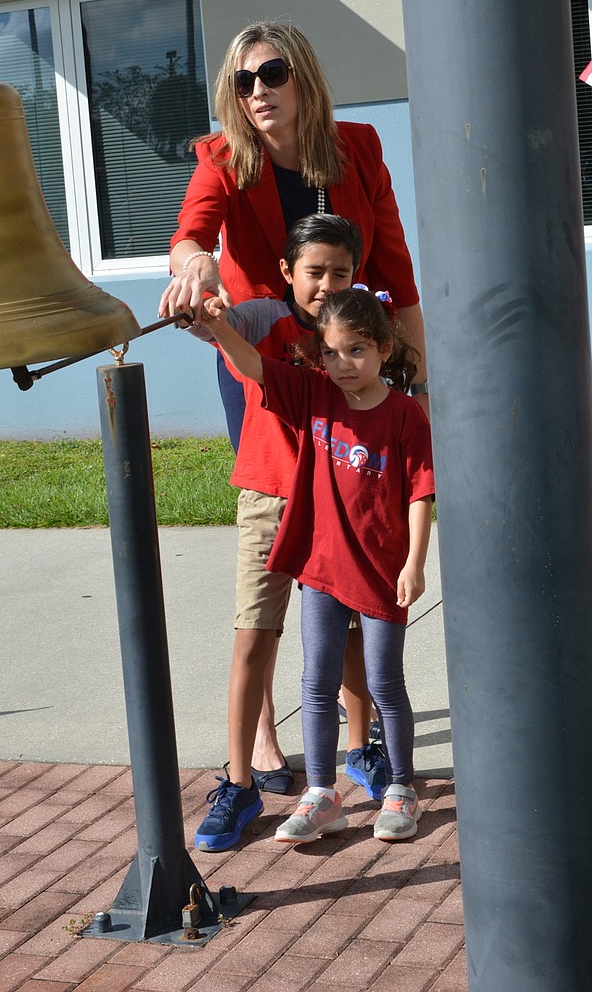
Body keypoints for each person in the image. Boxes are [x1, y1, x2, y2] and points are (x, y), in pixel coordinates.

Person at [158, 21, 428, 808]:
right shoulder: (222, 160)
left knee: (347, 552)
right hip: (268, 380)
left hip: (349, 372)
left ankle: (356, 742)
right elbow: (191, 236)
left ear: (303, 76)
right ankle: (261, 743)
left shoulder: (360, 148)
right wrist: (195, 264)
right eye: (243, 82)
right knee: (276, 548)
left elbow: (395, 269)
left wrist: (415, 381)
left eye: (272, 73)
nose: (258, 92)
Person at [183, 214, 393, 852]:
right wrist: (203, 301)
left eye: (340, 271)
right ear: (286, 273)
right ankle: (240, 782)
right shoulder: (260, 318)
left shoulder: (359, 330)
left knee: (351, 631)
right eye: (314, 271)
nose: (327, 284)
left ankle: (360, 750)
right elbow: (215, 326)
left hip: (341, 498)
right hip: (270, 496)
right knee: (255, 636)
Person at [202, 286, 434, 844]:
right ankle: (322, 795)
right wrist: (218, 326)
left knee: (385, 684)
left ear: (382, 348)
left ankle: (401, 789)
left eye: (356, 350)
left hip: (381, 573)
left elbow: (421, 495)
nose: (342, 364)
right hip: (321, 569)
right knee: (316, 683)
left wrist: (414, 564)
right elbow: (254, 366)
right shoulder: (314, 396)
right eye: (330, 352)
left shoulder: (405, 414)